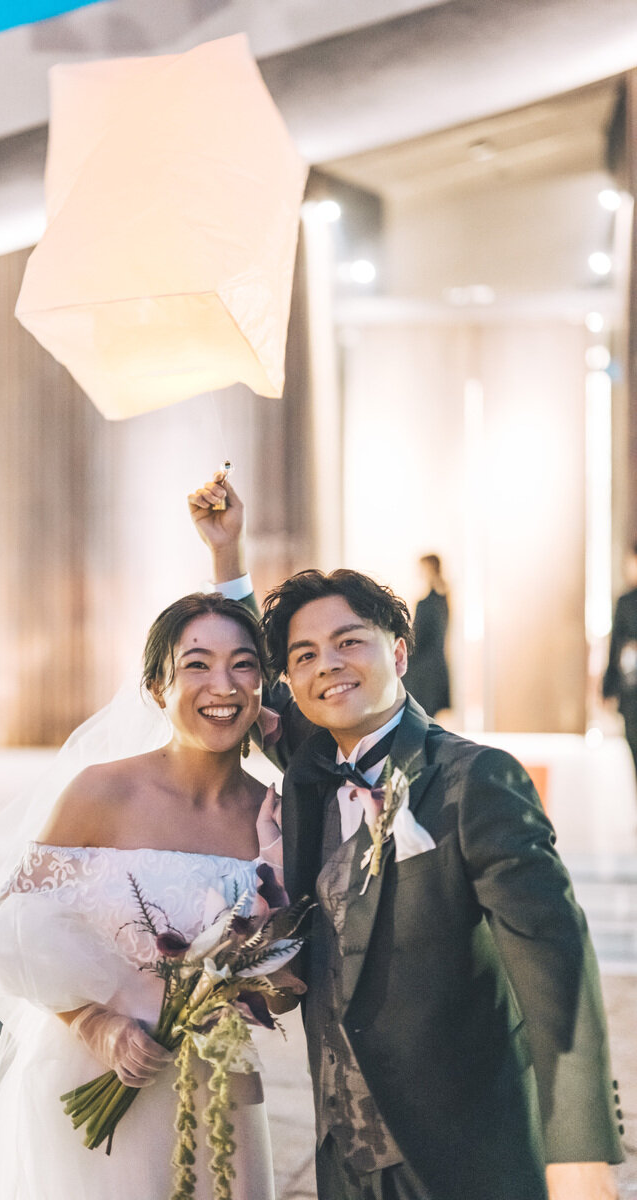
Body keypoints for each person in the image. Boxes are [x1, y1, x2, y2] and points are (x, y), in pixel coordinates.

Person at [189, 471, 623, 1200]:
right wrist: (226, 555)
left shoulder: (475, 778)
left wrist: (577, 1150)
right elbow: (257, 677)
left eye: (348, 642)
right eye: (304, 655)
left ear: (397, 653)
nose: (327, 665)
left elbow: (556, 963)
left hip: (468, 1149)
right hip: (345, 1149)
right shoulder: (311, 767)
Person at [0, 591, 286, 1200]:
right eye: (197, 664)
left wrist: (260, 975)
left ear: (261, 685)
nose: (222, 685)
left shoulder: (273, 819)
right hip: (86, 1076)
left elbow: (286, 979)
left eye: (243, 664)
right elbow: (9, 930)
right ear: (157, 687)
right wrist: (96, 1024)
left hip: (216, 1088)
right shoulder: (101, 793)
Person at [603, 542, 637, 781]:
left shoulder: (626, 603)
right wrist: (609, 686)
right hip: (631, 691)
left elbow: (616, 648)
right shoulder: (625, 602)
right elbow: (616, 648)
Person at [405, 554, 450, 718]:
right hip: (434, 667)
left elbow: (418, 639)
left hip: (423, 671)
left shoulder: (428, 603)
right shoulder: (443, 599)